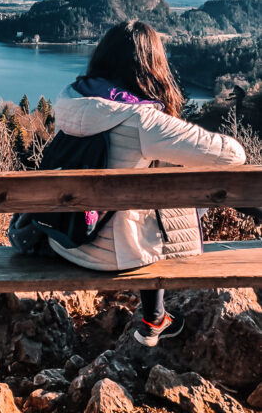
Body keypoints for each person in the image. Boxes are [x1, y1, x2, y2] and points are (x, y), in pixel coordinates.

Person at [52, 20, 259, 347]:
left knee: (152, 176)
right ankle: (154, 317)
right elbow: (233, 154)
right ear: (151, 66)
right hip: (113, 255)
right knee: (192, 175)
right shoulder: (143, 120)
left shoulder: (71, 98)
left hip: (64, 237)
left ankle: (155, 316)